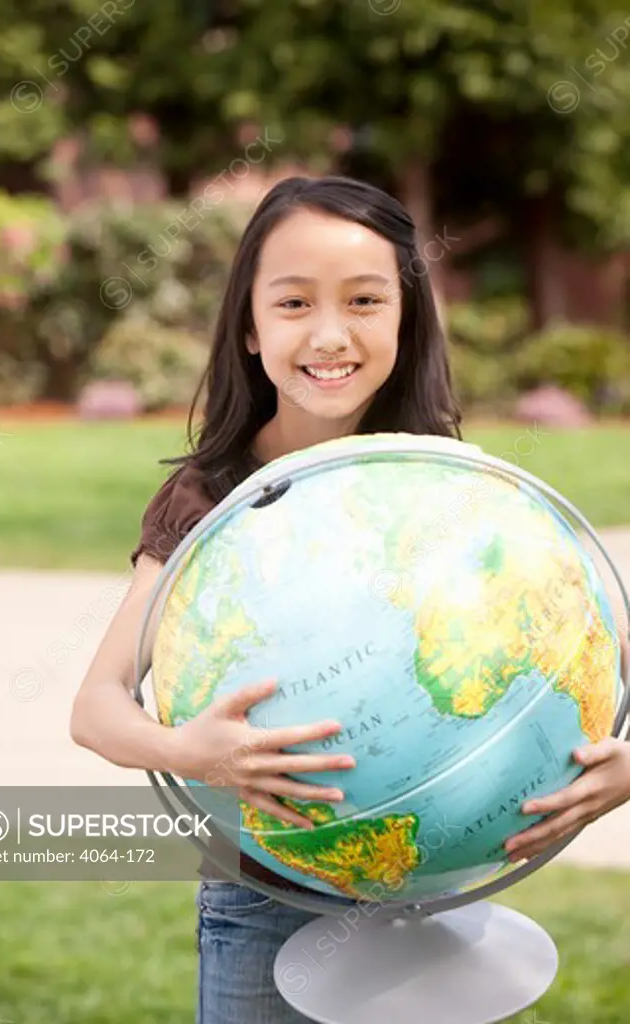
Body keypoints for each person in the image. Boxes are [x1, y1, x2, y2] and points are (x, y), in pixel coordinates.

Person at [70, 175, 630, 1023]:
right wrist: (195, 754)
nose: (329, 334)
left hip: (437, 890)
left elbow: (596, 648)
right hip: (266, 904)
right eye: (293, 303)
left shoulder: (447, 490)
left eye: (364, 300)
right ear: (249, 330)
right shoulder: (211, 498)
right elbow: (94, 707)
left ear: (405, 321)